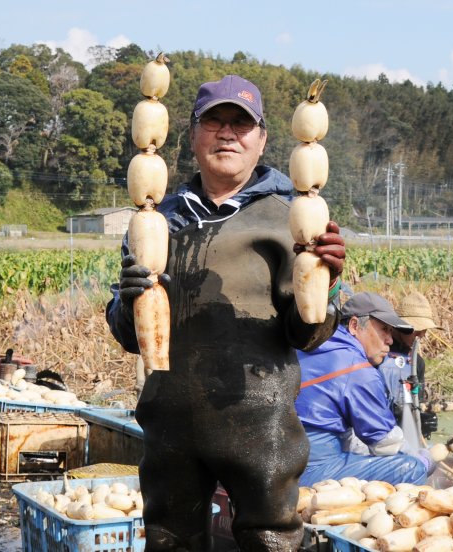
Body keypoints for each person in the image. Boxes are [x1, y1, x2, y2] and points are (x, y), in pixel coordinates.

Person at [106, 74, 346, 551]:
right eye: (214, 121)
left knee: (269, 540)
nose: (227, 133)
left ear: (261, 140)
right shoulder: (157, 218)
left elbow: (308, 335)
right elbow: (130, 336)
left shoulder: (289, 217)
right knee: (169, 540)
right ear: (192, 135)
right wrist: (127, 299)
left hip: (260, 426)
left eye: (241, 124)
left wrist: (324, 282)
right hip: (169, 425)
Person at [295, 292, 436, 487]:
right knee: (412, 469)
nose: (390, 340)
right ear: (354, 326)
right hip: (311, 467)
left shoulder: (313, 345)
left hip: (285, 456)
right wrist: (421, 457)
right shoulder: (357, 367)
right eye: (384, 329)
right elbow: (385, 443)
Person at [377, 292, 442, 432]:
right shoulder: (377, 355)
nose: (422, 335)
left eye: (424, 330)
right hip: (376, 431)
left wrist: (423, 420)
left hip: (402, 434)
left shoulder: (417, 363)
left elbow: (417, 400)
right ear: (400, 326)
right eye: (417, 330)